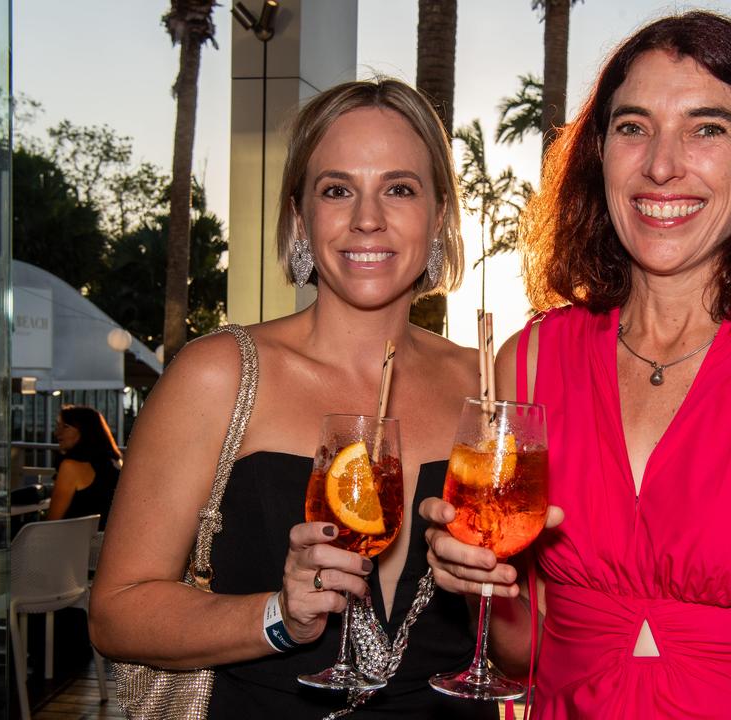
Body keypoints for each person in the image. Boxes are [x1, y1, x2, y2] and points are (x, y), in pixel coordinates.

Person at [422, 11, 731, 719]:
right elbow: (527, 657)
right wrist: (482, 586)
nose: (662, 165)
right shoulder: (531, 362)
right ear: (599, 156)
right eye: (633, 127)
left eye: (707, 128)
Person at [90, 78, 490, 718]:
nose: (367, 217)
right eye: (337, 190)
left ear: (439, 213)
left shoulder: (490, 388)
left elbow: (522, 648)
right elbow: (116, 613)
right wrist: (279, 616)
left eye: (399, 188)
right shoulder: (219, 374)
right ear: (301, 217)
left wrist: (501, 593)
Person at [46, 404, 122, 530]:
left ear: (85, 431)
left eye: (65, 427)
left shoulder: (70, 467)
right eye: (57, 426)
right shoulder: (115, 462)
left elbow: (52, 521)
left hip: (74, 543)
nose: (57, 433)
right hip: (106, 541)